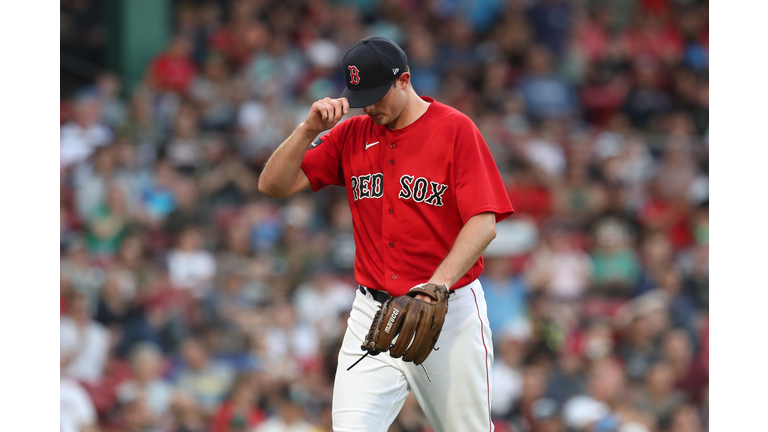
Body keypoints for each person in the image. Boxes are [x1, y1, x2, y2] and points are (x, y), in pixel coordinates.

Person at [258, 36, 514, 431]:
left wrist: (437, 285)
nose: (370, 106)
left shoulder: (455, 129)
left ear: (404, 80)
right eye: (362, 97)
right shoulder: (351, 134)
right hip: (373, 315)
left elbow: (484, 222)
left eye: (377, 95)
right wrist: (307, 130)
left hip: (449, 309)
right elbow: (273, 185)